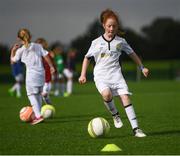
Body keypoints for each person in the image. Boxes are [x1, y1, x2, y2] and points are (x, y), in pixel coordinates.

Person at [79, 9, 149, 137]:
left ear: (117, 27)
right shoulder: (96, 43)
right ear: (104, 26)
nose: (111, 28)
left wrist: (142, 67)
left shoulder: (121, 41)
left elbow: (132, 54)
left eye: (114, 26)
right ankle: (115, 114)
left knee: (125, 97)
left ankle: (136, 129)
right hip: (100, 76)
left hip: (116, 75)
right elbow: (87, 58)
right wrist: (83, 74)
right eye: (109, 26)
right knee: (106, 95)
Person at [10, 28, 55, 125]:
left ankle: (38, 116)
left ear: (19, 38)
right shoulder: (38, 46)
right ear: (30, 36)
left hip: (32, 76)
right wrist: (51, 67)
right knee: (38, 94)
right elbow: (46, 55)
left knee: (31, 95)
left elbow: (13, 61)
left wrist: (13, 51)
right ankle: (38, 115)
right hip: (41, 75)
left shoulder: (21, 50)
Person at [35, 38, 56, 104]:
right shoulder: (35, 54)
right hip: (38, 77)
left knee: (45, 93)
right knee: (39, 96)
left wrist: (53, 68)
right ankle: (47, 106)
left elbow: (52, 63)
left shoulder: (47, 54)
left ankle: (48, 104)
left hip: (47, 77)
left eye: (42, 44)